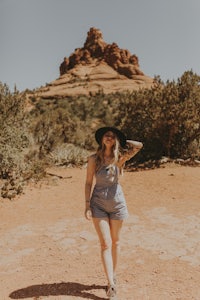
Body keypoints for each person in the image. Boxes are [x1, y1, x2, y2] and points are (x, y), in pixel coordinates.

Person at [84, 126, 143, 299]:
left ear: (115, 139)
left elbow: (138, 145)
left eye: (112, 136)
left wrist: (122, 142)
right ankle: (110, 283)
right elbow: (88, 183)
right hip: (98, 204)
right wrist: (87, 205)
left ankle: (113, 275)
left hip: (117, 204)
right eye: (105, 135)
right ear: (101, 139)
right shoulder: (93, 159)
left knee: (116, 242)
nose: (108, 138)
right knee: (105, 243)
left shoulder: (120, 158)